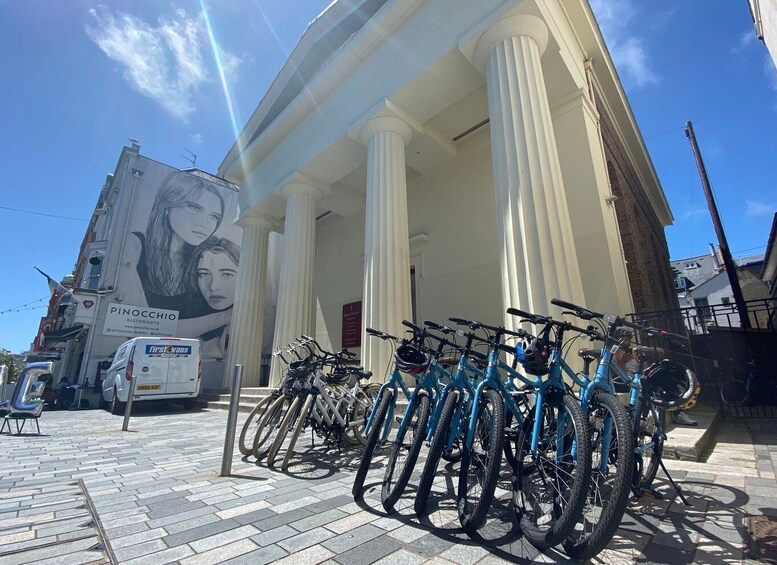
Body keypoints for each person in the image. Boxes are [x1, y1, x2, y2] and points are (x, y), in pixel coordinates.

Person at [128, 170, 226, 317]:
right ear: (167, 206)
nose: (205, 223)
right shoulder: (135, 245)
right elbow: (136, 320)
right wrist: (227, 317)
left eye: (214, 217)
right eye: (194, 208)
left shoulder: (204, 261)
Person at [182, 237, 240, 359]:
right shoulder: (185, 306)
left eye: (227, 274)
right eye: (203, 274)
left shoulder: (265, 316)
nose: (213, 287)